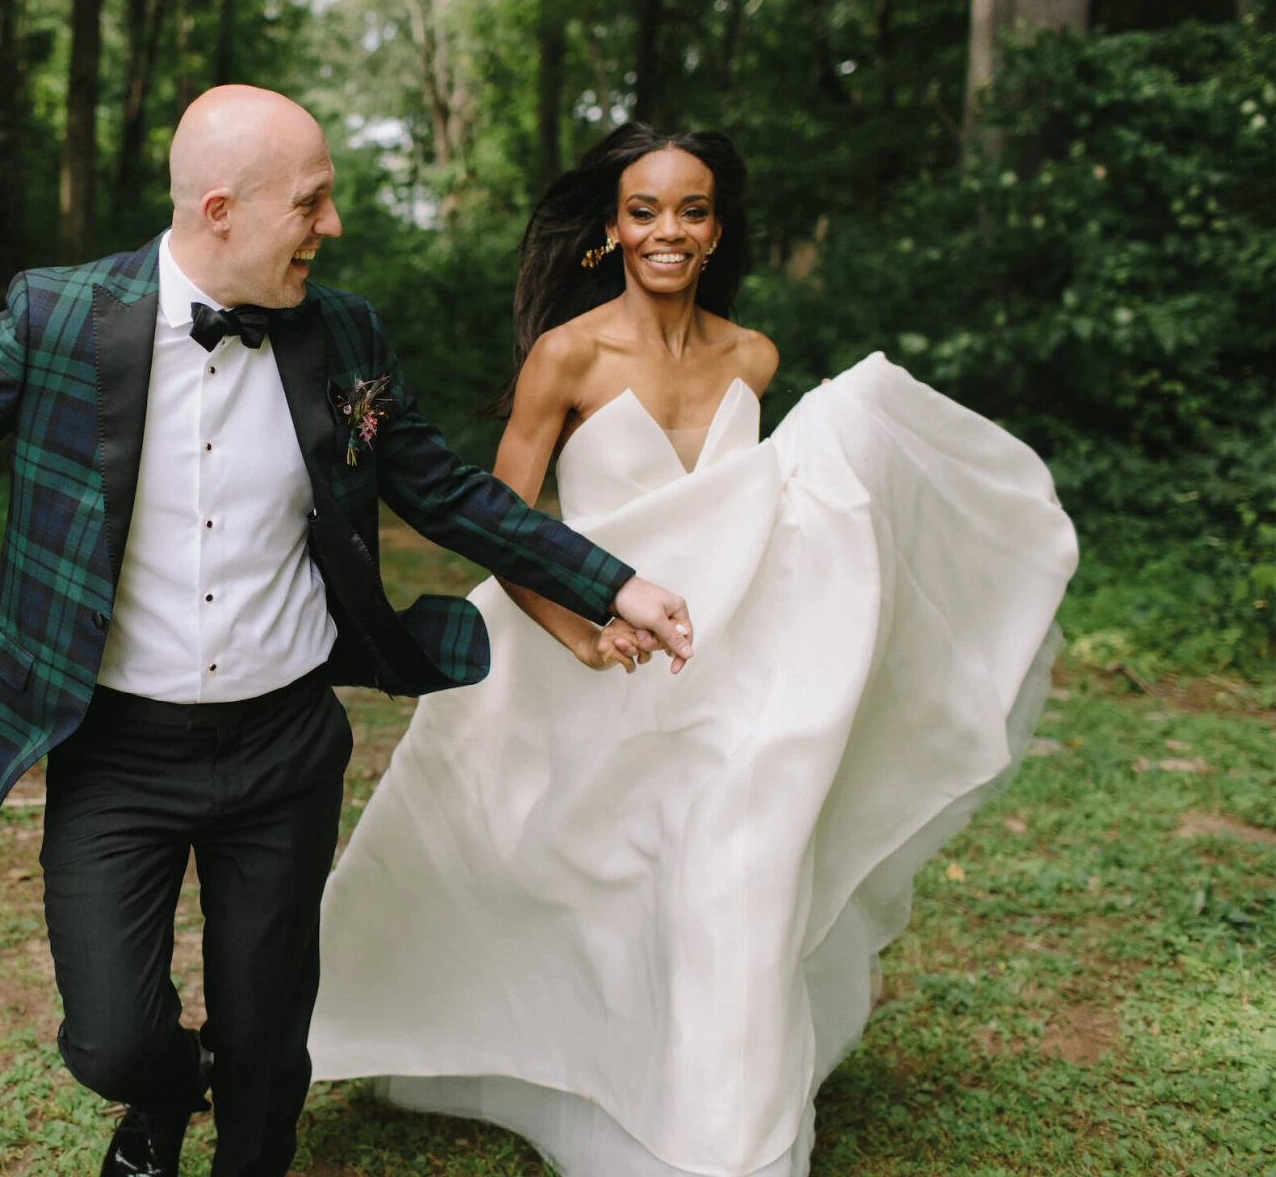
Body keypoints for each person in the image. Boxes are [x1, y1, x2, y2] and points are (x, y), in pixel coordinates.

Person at [0, 88, 698, 1177]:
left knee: (266, 1043)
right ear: (222, 210)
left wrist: (612, 583)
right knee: (111, 1039)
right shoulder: (57, 318)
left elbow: (445, 490)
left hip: (283, 747)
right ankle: (164, 1095)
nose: (332, 226)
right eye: (312, 203)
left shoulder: (342, 332)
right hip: (117, 750)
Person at [308, 124, 1080, 1176]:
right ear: (611, 231)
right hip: (580, 664)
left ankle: (723, 1138)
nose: (668, 230)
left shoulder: (753, 355)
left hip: (719, 671)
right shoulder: (567, 354)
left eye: (693, 209)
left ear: (718, 229)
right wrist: (579, 633)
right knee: (562, 884)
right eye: (644, 210)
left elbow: (746, 518)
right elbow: (498, 519)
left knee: (735, 875)